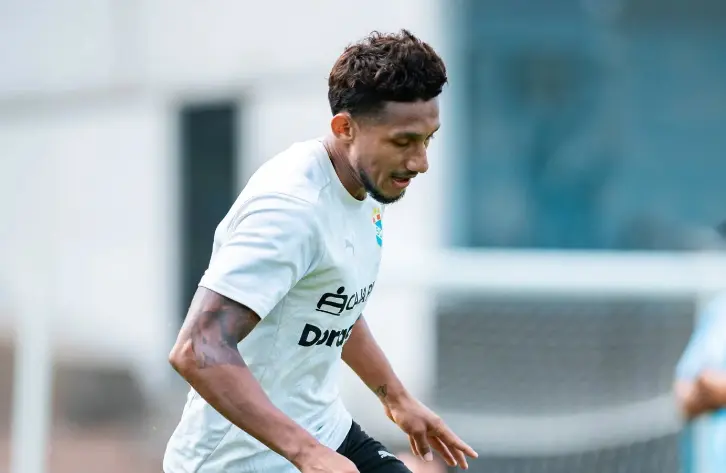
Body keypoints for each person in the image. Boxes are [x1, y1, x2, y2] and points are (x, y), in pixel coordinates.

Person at [163, 30, 478, 473]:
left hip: (324, 431)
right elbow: (198, 348)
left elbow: (330, 302)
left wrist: (396, 397)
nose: (420, 162)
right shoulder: (290, 210)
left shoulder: (364, 182)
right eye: (403, 141)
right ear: (345, 128)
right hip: (242, 461)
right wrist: (306, 453)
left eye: (428, 139)